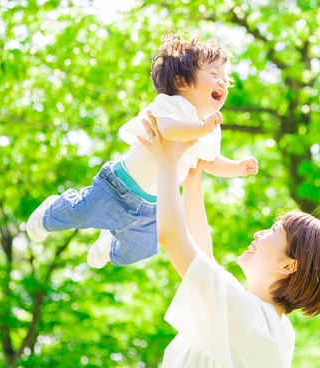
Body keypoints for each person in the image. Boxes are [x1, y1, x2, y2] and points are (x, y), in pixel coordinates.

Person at [137, 111, 320, 368]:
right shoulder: (273, 328)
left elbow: (171, 237)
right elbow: (205, 265)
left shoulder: (251, 321)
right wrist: (192, 184)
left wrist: (167, 162)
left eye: (274, 231)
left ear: (287, 265)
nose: (259, 233)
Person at [26, 34, 258, 268]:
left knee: (139, 250)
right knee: (79, 213)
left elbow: (208, 161)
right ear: (182, 81)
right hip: (118, 187)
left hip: (153, 206)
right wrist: (199, 128)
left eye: (225, 79)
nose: (222, 83)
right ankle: (49, 213)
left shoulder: (210, 127)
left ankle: (109, 243)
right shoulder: (171, 105)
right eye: (214, 74)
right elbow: (167, 131)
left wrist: (236, 168)